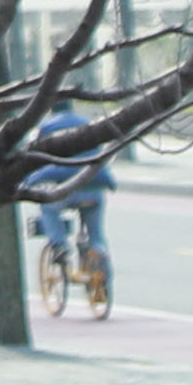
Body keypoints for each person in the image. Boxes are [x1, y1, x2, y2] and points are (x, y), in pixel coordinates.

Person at [25, 103, 114, 317]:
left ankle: (59, 245)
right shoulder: (86, 124)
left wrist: (29, 182)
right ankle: (99, 255)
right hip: (93, 187)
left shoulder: (46, 127)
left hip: (64, 188)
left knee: (49, 207)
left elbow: (37, 157)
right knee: (96, 233)